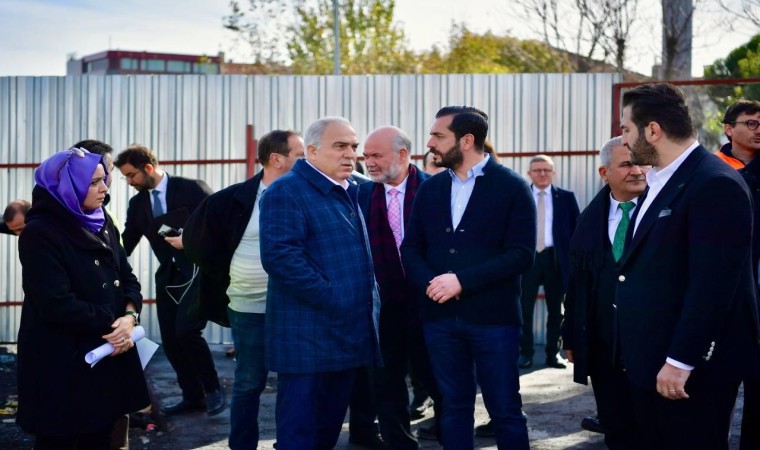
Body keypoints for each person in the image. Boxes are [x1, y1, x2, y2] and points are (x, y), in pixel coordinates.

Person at [617, 82, 760, 449]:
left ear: (653, 130)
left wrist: (681, 360)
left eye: (627, 129)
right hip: (654, 364)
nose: (624, 139)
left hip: (688, 374)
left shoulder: (715, 183)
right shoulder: (659, 179)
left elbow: (713, 286)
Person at [401, 106, 534, 449]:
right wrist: (433, 284)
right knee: (453, 407)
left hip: (494, 321)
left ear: (467, 140)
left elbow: (521, 254)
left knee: (505, 410)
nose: (430, 143)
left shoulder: (513, 187)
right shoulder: (430, 189)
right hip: (440, 320)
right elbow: (411, 248)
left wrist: (461, 281)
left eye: (438, 136)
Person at [259, 116, 381, 450]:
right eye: (340, 146)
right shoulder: (287, 191)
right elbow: (281, 259)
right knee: (301, 435)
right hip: (308, 338)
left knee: (326, 432)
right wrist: (335, 297)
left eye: (353, 146)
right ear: (311, 152)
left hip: (345, 334)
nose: (350, 154)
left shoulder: (351, 188)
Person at [16, 148, 150, 449]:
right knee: (62, 439)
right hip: (63, 362)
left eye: (104, 180)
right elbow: (55, 302)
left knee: (101, 435)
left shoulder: (101, 221)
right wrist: (117, 325)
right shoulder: (40, 233)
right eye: (93, 182)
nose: (104, 189)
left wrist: (130, 317)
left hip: (106, 354)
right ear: (67, 186)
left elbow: (127, 278)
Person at [183, 130, 304, 450]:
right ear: (277, 159)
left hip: (294, 308)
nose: (308, 161)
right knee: (250, 382)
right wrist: (223, 275)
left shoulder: (305, 194)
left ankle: (289, 443)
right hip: (248, 308)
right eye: (300, 155)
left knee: (293, 381)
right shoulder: (232, 199)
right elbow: (196, 240)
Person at [114, 145, 226, 417]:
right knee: (171, 339)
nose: (129, 181)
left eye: (131, 175)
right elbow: (127, 241)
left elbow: (219, 224)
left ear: (148, 168)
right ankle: (193, 396)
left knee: (187, 330)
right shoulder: (137, 205)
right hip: (168, 277)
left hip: (198, 273)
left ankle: (213, 390)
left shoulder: (192, 189)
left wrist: (191, 239)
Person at [561, 137, 646, 449]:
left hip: (649, 346)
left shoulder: (665, 212)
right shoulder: (589, 219)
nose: (638, 171)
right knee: (618, 429)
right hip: (603, 347)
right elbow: (577, 282)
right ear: (604, 172)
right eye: (627, 164)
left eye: (643, 163)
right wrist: (571, 335)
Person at [358, 126, 437, 449]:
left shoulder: (435, 191)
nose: (369, 163)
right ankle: (399, 443)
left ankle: (451, 433)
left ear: (403, 155)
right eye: (366, 156)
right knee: (386, 383)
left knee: (437, 377)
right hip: (382, 305)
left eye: (376, 155)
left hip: (432, 302)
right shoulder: (361, 195)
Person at [714, 99, 760, 450]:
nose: (759, 130)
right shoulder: (712, 170)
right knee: (716, 397)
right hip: (725, 303)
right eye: (752, 123)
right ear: (729, 129)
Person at [518, 154, 579, 370]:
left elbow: (576, 230)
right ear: (529, 173)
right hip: (528, 260)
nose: (542, 174)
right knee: (524, 309)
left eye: (547, 170)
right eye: (537, 170)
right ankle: (525, 353)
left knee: (557, 310)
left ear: (553, 173)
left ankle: (553, 353)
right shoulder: (520, 197)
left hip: (555, 260)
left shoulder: (566, 198)